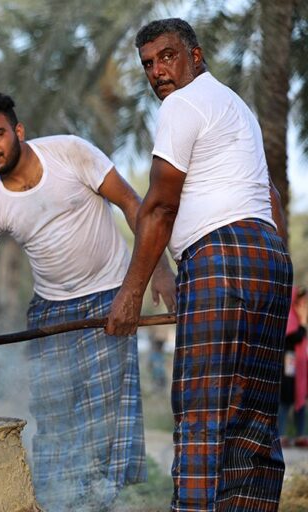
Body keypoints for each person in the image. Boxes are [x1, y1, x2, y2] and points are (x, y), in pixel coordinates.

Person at [0, 91, 177, 511]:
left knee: (101, 427)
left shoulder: (70, 153)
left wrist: (159, 269)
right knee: (55, 425)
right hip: (50, 312)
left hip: (108, 303)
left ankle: (98, 505)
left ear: (18, 132)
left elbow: (133, 203)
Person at [104, 18, 292, 512]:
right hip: (268, 259)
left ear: (196, 55)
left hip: (220, 257)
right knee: (252, 422)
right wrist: (270, 261)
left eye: (167, 56)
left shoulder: (183, 105)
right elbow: (269, 195)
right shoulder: (235, 105)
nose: (158, 71)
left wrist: (129, 296)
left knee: (203, 416)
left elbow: (160, 208)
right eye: (148, 63)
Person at [280, 286, 308, 447]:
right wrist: (303, 323)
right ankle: (281, 434)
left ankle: (300, 435)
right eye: (301, 301)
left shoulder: (298, 318)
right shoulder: (290, 317)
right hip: (287, 367)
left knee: (300, 398)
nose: (303, 305)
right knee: (285, 400)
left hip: (299, 368)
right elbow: (293, 338)